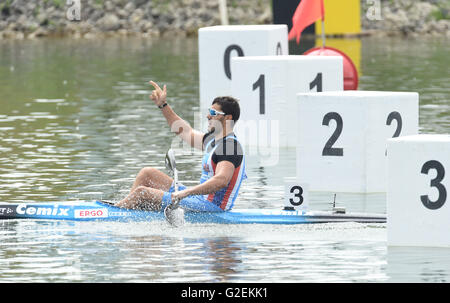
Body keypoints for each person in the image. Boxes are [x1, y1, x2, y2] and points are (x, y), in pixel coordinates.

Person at [115, 81, 247, 212]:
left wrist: (187, 192)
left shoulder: (230, 147)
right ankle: (128, 208)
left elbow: (221, 180)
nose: (208, 116)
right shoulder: (212, 141)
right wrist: (163, 105)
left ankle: (119, 211)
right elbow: (185, 131)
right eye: (209, 111)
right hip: (199, 199)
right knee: (147, 173)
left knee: (142, 192)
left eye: (213, 113)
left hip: (212, 207)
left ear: (228, 118)